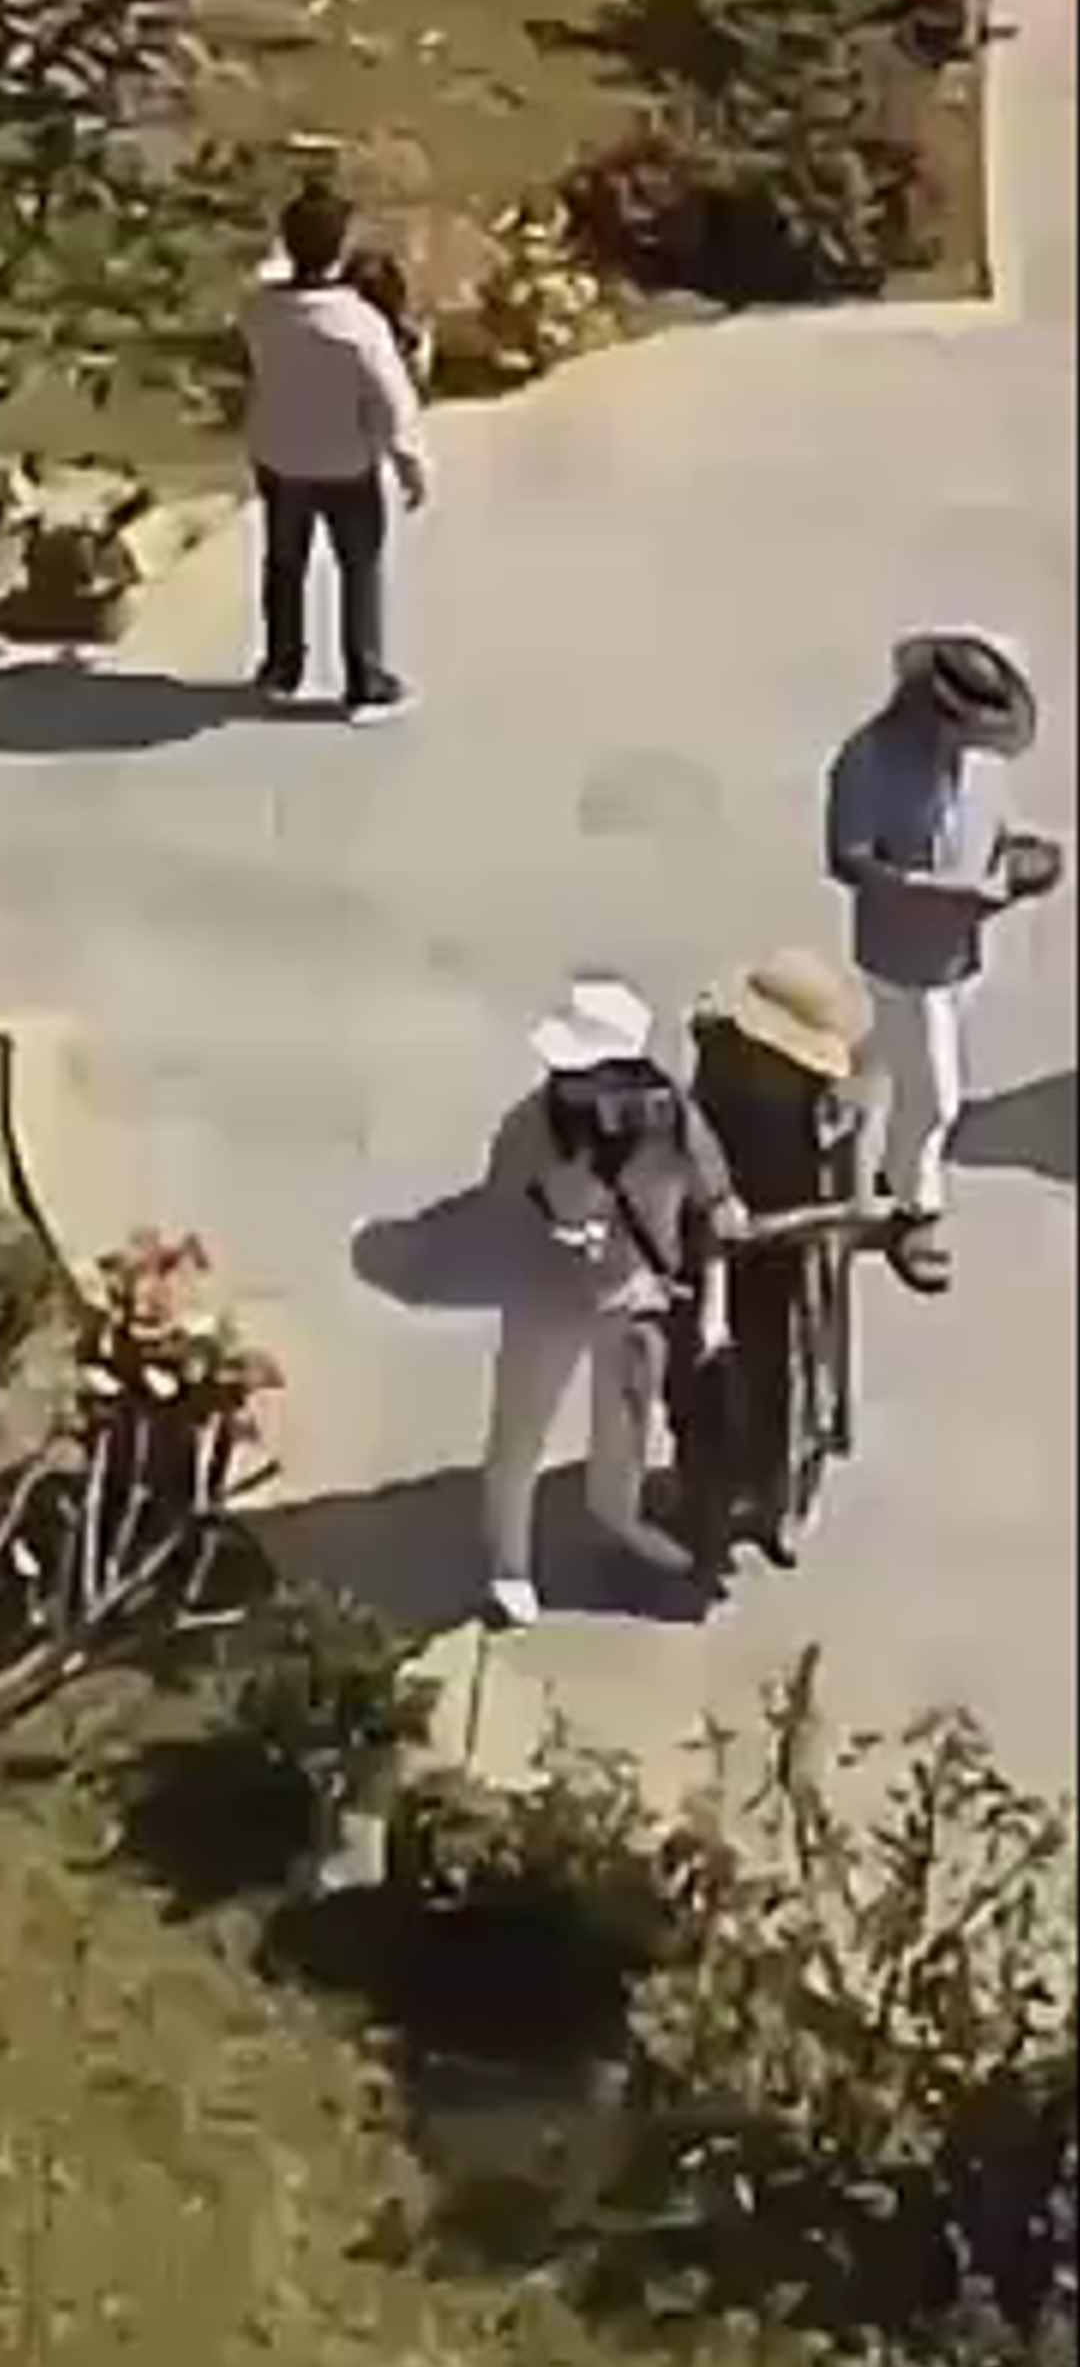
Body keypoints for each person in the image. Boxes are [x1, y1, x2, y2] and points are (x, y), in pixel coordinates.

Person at [478, 982, 716, 1627]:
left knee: (626, 1430)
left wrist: (708, 1301)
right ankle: (508, 1562)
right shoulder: (531, 1125)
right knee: (520, 1436)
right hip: (543, 1301)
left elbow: (715, 1202)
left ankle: (618, 1514)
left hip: (633, 1299)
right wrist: (551, 1221)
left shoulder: (674, 1121)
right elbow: (499, 1208)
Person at [823, 630, 1056, 1280]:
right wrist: (936, 894)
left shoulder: (977, 762)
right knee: (936, 1098)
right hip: (902, 955)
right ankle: (913, 1210)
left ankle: (841, 1094)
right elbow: (848, 858)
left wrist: (1023, 863)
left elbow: (992, 831)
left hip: (960, 950)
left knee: (907, 1053)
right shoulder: (867, 761)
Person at [673, 959, 890, 1583]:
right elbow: (703, 1170)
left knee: (801, 1394)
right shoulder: (718, 1060)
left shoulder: (849, 1089)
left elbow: (857, 1202)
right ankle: (706, 1500)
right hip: (726, 1245)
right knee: (710, 1391)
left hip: (800, 1266)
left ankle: (785, 1509)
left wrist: (793, 1224)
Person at [241, 172, 428, 715]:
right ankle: (364, 677)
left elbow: (269, 288)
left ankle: (282, 667)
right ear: (341, 248)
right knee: (358, 567)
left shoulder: (260, 313)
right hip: (346, 464)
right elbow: (392, 401)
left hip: (279, 458)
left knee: (284, 564)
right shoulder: (358, 324)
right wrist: (411, 463)